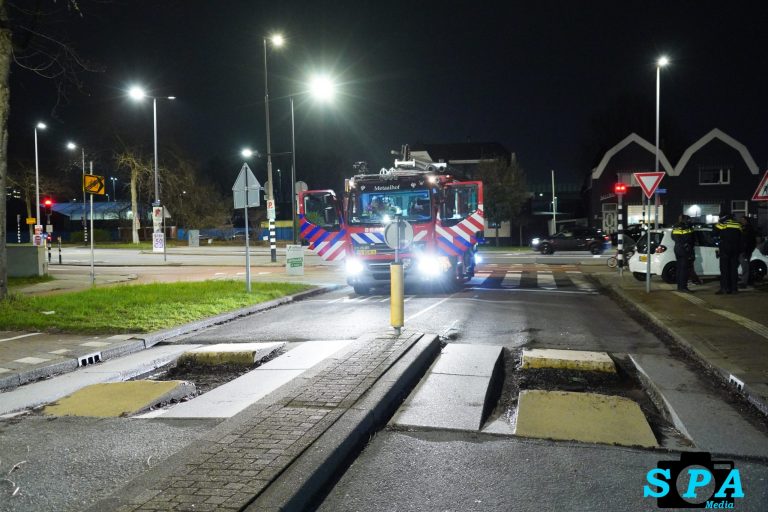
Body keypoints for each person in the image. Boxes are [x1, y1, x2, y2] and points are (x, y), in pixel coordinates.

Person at [714, 213, 742, 294]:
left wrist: (720, 222)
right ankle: (734, 289)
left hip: (725, 249)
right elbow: (741, 236)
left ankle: (724, 288)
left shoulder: (723, 224)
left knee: (724, 269)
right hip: (735, 250)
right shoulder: (738, 225)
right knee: (733, 269)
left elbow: (714, 233)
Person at [671, 214, 694, 292]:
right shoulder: (686, 227)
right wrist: (686, 245)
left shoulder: (676, 226)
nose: (689, 221)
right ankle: (683, 287)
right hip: (684, 250)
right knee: (684, 269)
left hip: (678, 249)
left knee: (679, 269)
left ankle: (680, 287)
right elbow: (690, 238)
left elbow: (673, 237)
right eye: (688, 219)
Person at [738, 215, 757, 288]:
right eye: (741, 220)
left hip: (745, 251)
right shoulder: (743, 228)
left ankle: (744, 282)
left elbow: (751, 242)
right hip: (742, 251)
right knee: (744, 266)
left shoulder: (749, 229)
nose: (742, 221)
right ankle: (745, 280)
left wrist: (748, 252)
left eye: (743, 220)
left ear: (746, 220)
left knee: (745, 267)